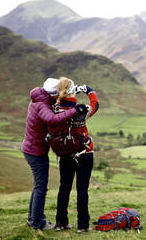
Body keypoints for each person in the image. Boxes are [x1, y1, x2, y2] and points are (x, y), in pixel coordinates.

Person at [21, 77, 88, 230]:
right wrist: (75, 110)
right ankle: (38, 223)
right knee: (41, 187)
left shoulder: (39, 100)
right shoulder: (42, 105)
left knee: (38, 186)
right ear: (52, 94)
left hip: (32, 149)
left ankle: (33, 219)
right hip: (35, 152)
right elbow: (52, 119)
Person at [48, 77, 99, 233]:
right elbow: (95, 105)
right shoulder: (81, 110)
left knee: (64, 188)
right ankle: (83, 226)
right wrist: (89, 90)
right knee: (82, 189)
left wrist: (70, 91)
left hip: (65, 155)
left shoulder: (54, 110)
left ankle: (61, 222)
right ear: (73, 92)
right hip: (84, 153)